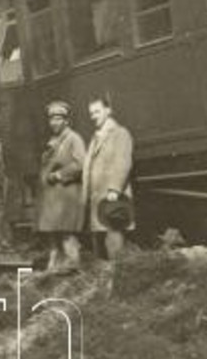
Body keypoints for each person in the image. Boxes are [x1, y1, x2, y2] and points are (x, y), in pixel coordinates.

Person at [36, 100, 86, 272]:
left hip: (66, 194)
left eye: (58, 119)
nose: (54, 123)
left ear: (66, 121)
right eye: (51, 120)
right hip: (53, 197)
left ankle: (73, 265)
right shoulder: (54, 140)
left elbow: (80, 164)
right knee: (54, 234)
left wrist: (58, 175)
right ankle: (56, 267)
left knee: (66, 232)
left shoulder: (73, 139)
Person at [85, 95, 134, 262]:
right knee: (101, 239)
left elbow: (123, 162)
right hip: (98, 196)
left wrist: (114, 189)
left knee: (114, 236)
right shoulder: (96, 137)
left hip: (111, 195)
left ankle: (117, 275)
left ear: (108, 110)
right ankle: (107, 277)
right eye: (91, 113)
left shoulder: (119, 133)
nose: (93, 116)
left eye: (97, 112)